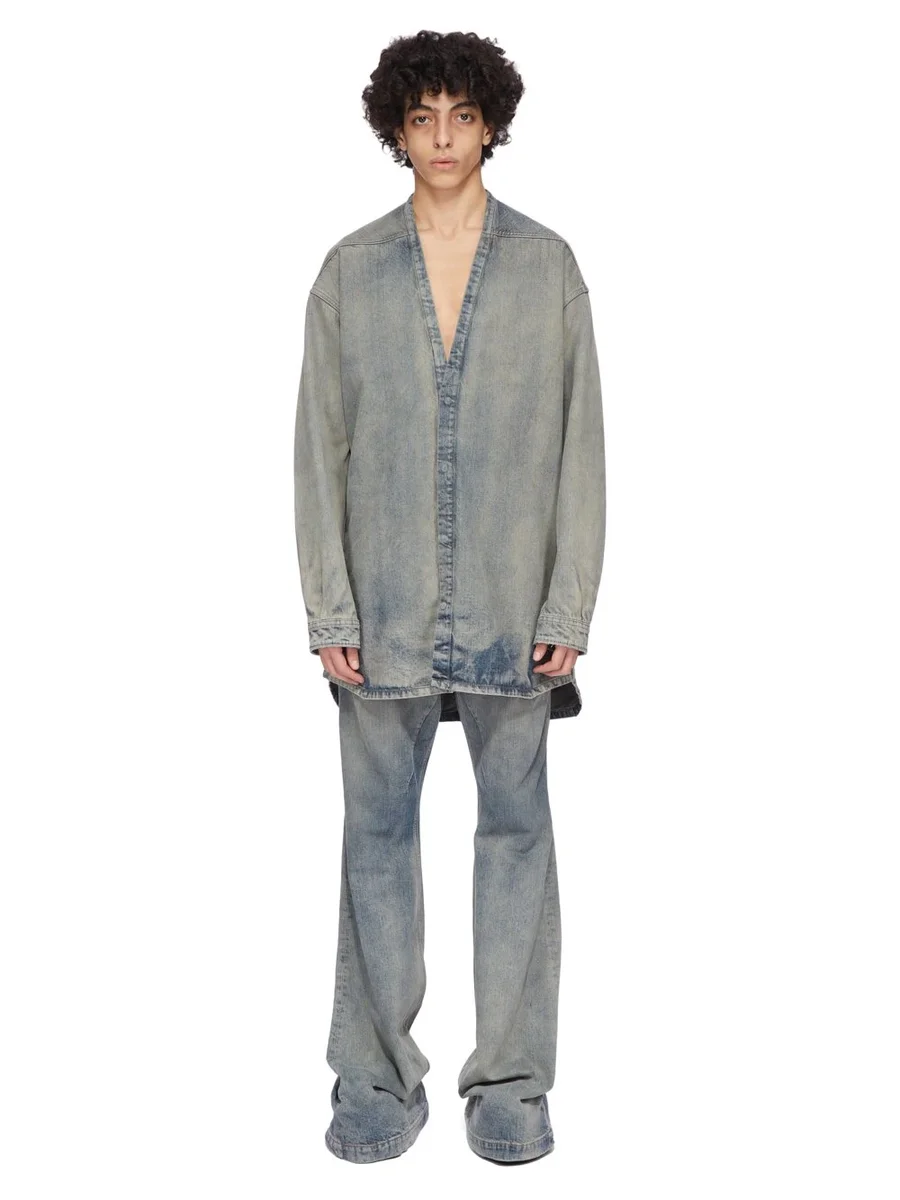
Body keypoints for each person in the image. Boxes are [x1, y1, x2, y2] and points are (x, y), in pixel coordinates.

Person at [293, 28, 606, 1164]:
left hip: (514, 610)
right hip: (380, 610)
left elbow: (581, 448)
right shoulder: (350, 272)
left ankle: (513, 1084)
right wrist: (330, 611)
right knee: (376, 841)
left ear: (491, 125)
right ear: (395, 127)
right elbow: (316, 450)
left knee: (516, 838)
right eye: (421, 117)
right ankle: (375, 1076)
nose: (441, 138)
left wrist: (567, 607)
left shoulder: (547, 268)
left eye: (461, 117)